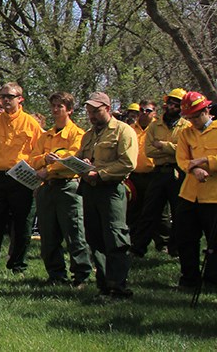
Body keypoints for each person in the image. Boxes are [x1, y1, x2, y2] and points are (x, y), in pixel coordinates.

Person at [0, 82, 41, 278]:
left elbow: (40, 154)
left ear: (20, 99)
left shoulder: (31, 124)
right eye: (3, 96)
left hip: (23, 178)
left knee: (23, 225)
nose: (5, 100)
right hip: (0, 178)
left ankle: (18, 265)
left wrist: (39, 181)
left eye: (10, 97)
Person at [76, 91, 138, 299]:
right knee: (95, 238)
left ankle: (118, 287)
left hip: (111, 189)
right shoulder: (88, 135)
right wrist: (78, 165)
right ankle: (104, 285)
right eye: (89, 112)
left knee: (115, 238)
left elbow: (128, 163)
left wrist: (99, 173)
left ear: (108, 109)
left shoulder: (123, 131)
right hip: (89, 190)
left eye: (96, 111)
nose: (92, 116)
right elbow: (80, 158)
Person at [28, 92, 91, 287]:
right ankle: (56, 275)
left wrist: (49, 168)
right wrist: (44, 161)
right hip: (47, 188)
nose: (55, 110)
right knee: (48, 234)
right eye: (53, 106)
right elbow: (33, 159)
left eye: (60, 107)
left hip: (68, 187)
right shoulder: (46, 135)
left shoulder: (77, 134)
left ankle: (81, 275)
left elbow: (73, 158)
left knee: (74, 232)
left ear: (69, 109)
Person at [131, 89, 189, 258]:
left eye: (176, 104)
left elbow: (184, 151)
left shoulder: (186, 126)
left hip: (177, 172)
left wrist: (163, 146)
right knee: (149, 211)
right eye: (170, 103)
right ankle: (138, 248)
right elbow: (149, 150)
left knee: (178, 213)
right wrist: (172, 149)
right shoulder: (155, 126)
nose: (171, 106)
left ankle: (175, 248)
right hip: (158, 172)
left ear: (181, 107)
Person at [174, 92, 217, 289]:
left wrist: (206, 161)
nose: (193, 121)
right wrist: (195, 168)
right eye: (189, 118)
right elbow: (182, 159)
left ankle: (211, 279)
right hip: (189, 194)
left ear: (207, 110)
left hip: (213, 197)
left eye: (196, 116)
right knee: (186, 238)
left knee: (214, 241)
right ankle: (189, 278)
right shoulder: (186, 133)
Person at [127, 100, 158, 232]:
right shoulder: (130, 129)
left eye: (148, 111)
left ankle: (162, 243)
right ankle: (133, 239)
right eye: (141, 110)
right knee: (134, 208)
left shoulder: (159, 127)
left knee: (156, 210)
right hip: (134, 176)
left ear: (154, 112)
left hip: (154, 175)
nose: (144, 113)